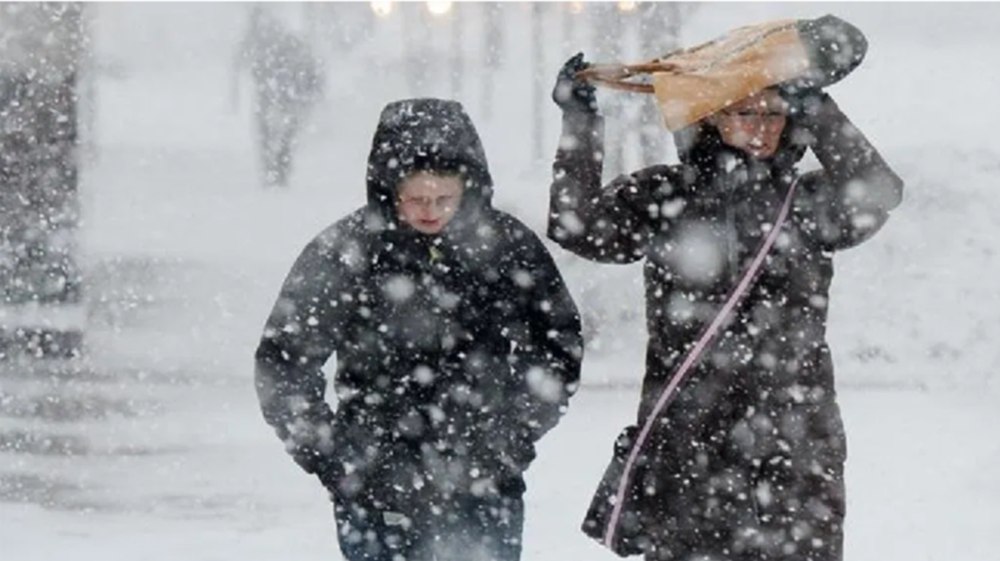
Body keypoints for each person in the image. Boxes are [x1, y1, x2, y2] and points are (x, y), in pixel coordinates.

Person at [548, 51, 904, 560]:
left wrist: (817, 105)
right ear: (710, 116)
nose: (762, 127)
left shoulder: (806, 202)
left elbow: (879, 192)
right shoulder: (668, 194)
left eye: (775, 112)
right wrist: (580, 121)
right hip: (690, 437)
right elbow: (578, 226)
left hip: (795, 438)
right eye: (745, 112)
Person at [255, 98, 583, 561]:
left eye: (444, 199)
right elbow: (285, 360)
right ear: (391, 191)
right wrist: (335, 457)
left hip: (482, 482)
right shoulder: (347, 251)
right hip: (376, 489)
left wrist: (511, 437)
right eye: (417, 200)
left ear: (467, 189)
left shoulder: (506, 247)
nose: (431, 211)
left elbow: (556, 346)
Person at [233, 7, 324, 188]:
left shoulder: (274, 46)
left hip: (278, 96)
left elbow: (248, 65)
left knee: (274, 132)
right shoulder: (277, 46)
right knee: (277, 131)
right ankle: (277, 163)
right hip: (279, 97)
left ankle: (276, 164)